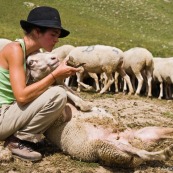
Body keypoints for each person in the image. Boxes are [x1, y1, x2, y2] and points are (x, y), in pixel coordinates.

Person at [0, 6, 79, 161]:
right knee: (58, 94)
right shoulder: (15, 50)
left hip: (8, 113)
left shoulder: (29, 54)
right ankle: (18, 141)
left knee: (54, 91)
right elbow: (22, 97)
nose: (57, 39)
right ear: (37, 32)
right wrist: (55, 75)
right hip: (2, 116)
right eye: (53, 34)